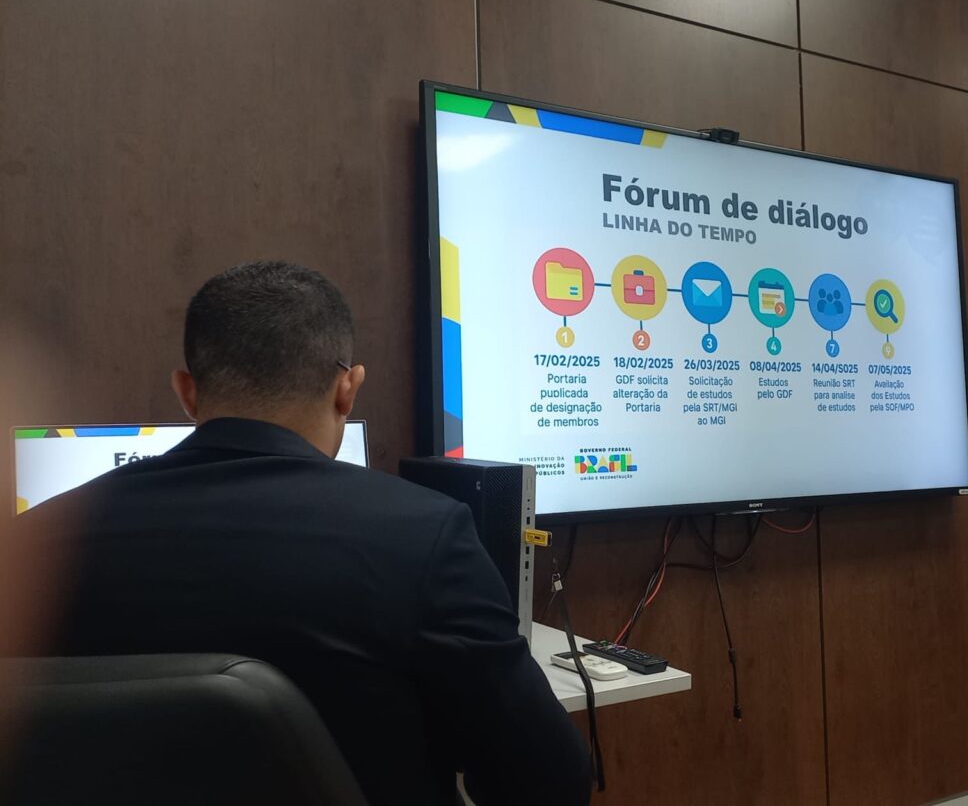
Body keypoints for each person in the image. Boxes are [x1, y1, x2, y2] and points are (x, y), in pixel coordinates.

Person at [5, 261, 592, 805]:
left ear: (186, 391)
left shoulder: (28, 552)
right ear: (347, 387)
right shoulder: (425, 535)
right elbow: (549, 781)